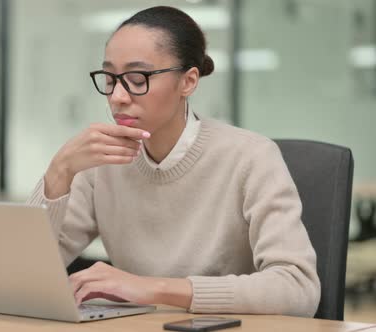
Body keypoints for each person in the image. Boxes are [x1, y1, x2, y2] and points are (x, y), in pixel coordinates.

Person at [27, 6, 320, 317]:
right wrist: (60, 171)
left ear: (188, 82)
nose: (117, 97)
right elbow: (22, 272)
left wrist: (154, 288)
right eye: (110, 78)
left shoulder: (251, 157)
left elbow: (297, 289)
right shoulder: (102, 164)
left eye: (137, 78)